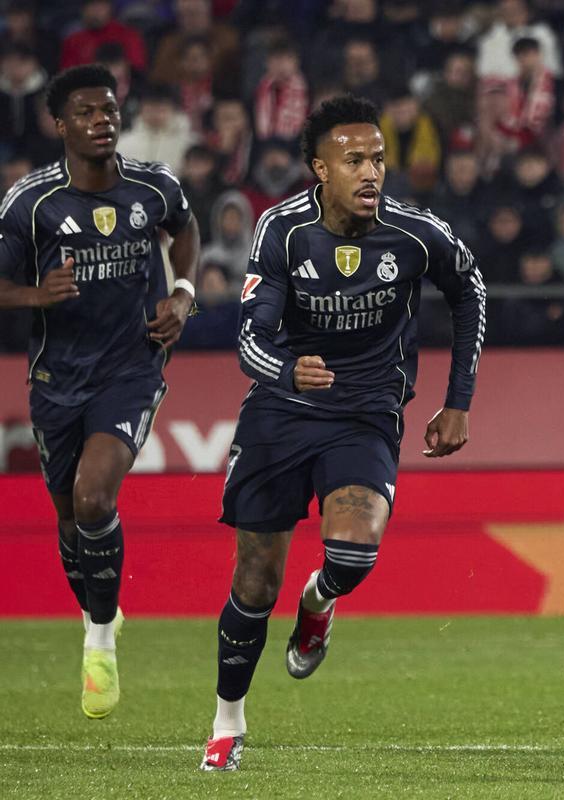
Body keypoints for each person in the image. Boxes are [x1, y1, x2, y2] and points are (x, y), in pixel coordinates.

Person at [201, 95, 486, 772]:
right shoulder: (282, 232)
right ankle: (227, 721)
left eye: (378, 159)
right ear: (318, 169)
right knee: (254, 583)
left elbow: (470, 290)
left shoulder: (416, 234)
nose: (371, 173)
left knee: (354, 555)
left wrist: (458, 402)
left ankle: (320, 600)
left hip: (365, 409)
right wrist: (286, 371)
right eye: (354, 160)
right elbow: (250, 339)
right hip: (280, 410)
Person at [0, 65, 199, 719]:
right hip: (57, 380)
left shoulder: (152, 187)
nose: (101, 121)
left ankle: (100, 636)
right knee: (67, 517)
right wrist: (37, 294)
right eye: (85, 112)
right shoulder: (30, 204)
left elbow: (186, 230)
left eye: (109, 110)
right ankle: (97, 615)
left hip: (132, 370)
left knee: (92, 497)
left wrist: (182, 293)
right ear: (59, 125)